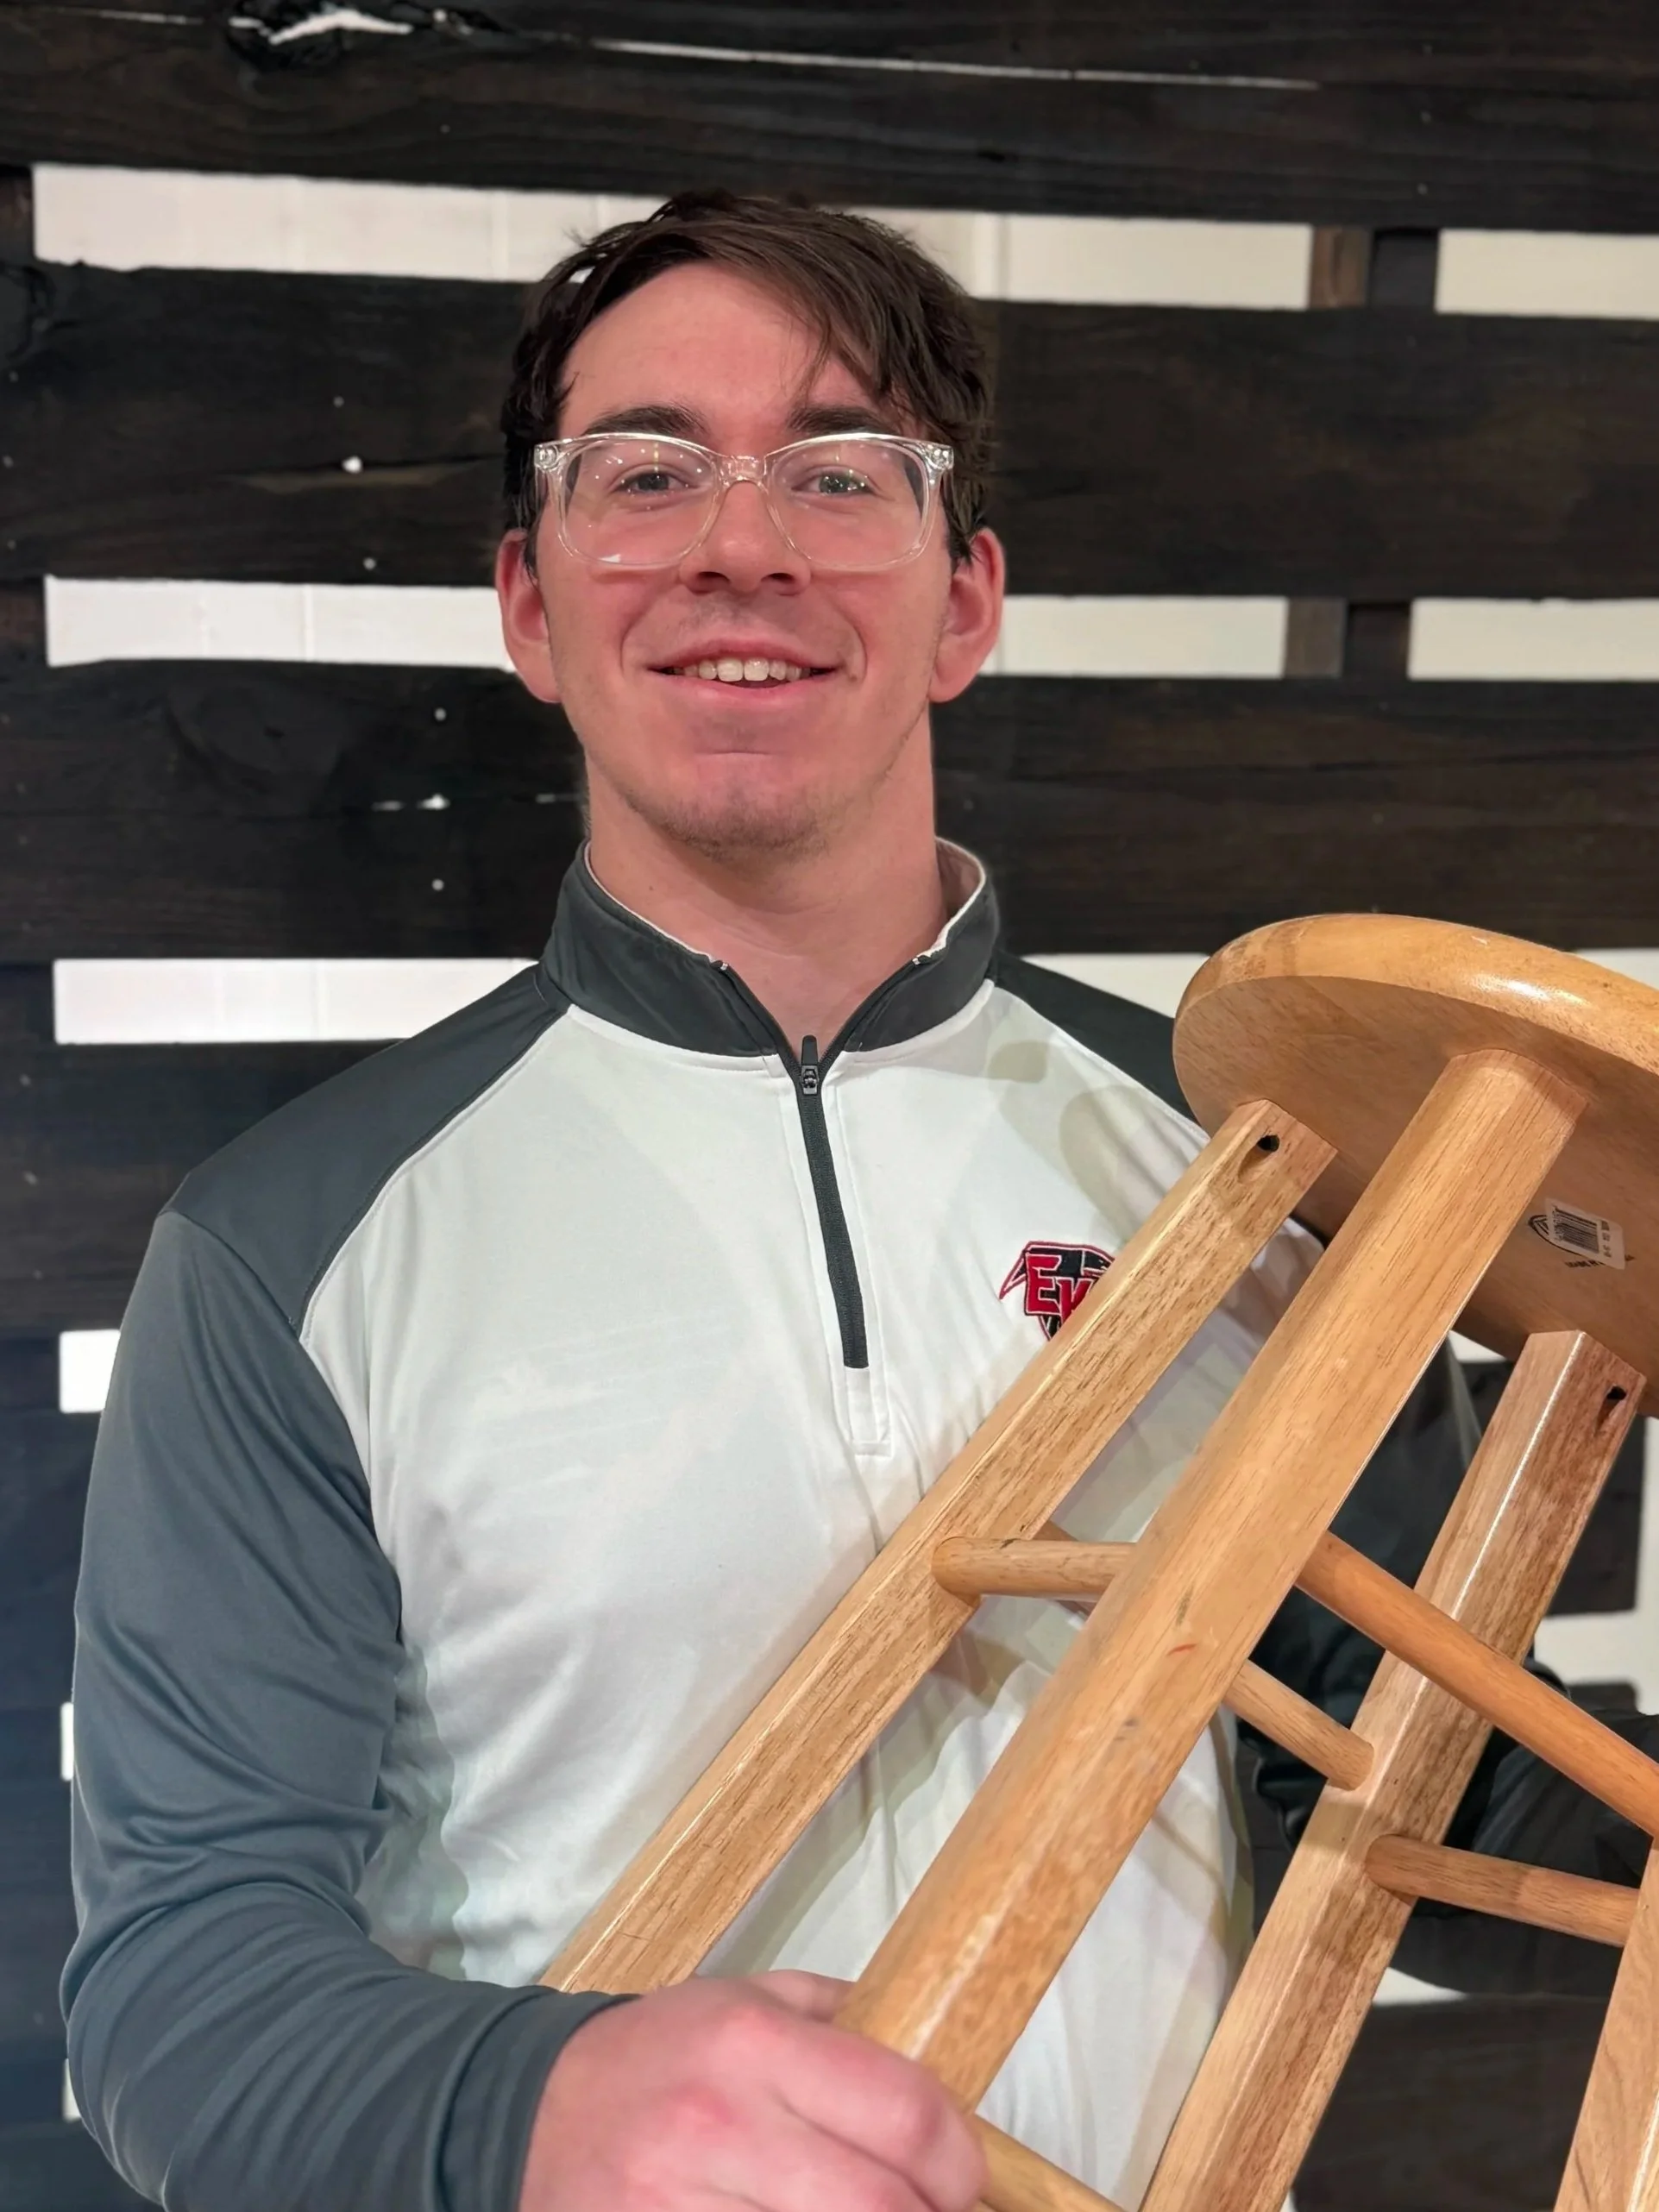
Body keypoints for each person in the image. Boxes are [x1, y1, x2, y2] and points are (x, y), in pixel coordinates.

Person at [65, 191, 1656, 2212]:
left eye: (838, 470)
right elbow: (176, 1997)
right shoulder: (284, 1250)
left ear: (965, 599)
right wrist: (538, 2104)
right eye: (644, 471)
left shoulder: (1262, 1163)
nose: (742, 541)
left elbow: (1412, 1786)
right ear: (533, 607)